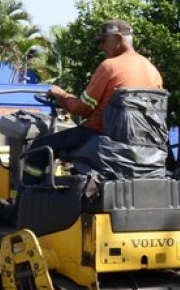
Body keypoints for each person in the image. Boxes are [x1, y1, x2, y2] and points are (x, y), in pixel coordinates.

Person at [23, 19, 163, 185]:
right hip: (141, 142)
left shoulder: (110, 67)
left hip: (100, 135)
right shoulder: (153, 71)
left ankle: (23, 202)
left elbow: (82, 108)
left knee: (38, 150)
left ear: (118, 39)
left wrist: (60, 95)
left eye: (103, 41)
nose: (100, 47)